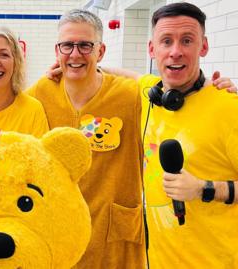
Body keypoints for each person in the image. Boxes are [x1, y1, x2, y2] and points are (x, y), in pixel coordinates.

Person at [138, 3, 238, 268]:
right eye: (166, 41)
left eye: (187, 40)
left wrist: (206, 189)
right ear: (152, 49)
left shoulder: (233, 110)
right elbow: (120, 76)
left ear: (203, 46)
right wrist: (70, 70)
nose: (175, 51)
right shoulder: (150, 94)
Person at [27, 9, 146, 268]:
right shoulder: (39, 94)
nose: (75, 53)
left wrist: (215, 88)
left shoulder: (128, 95)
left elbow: (166, 89)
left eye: (85, 46)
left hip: (114, 234)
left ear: (100, 51)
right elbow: (3, 111)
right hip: (58, 233)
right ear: (57, 51)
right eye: (67, 45)